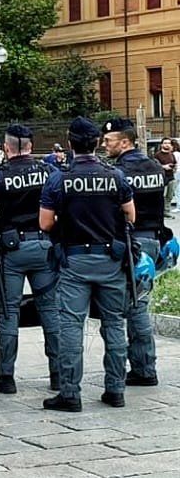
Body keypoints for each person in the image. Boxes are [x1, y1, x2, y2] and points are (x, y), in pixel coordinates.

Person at [40, 117, 135, 412]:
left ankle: (70, 393)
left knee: (71, 325)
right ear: (96, 144)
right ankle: (116, 389)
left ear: (70, 143)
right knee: (114, 325)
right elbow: (131, 216)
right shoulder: (116, 175)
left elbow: (44, 222)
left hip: (75, 260)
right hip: (111, 260)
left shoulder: (59, 178)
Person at [0, 124, 61, 394]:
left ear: (7, 147)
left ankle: (6, 377)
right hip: (44, 246)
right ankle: (57, 374)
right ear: (31, 147)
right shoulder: (49, 172)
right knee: (50, 311)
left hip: (13, 251)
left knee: (8, 312)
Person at [103, 117, 167, 388]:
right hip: (153, 239)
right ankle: (142, 364)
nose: (105, 145)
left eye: (109, 141)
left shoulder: (119, 172)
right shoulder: (155, 166)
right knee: (139, 301)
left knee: (136, 306)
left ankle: (144, 368)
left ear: (125, 142)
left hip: (133, 243)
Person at [154, 138, 176, 217]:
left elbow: (174, 163)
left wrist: (174, 167)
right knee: (162, 196)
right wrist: (164, 167)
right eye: (165, 143)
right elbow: (155, 166)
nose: (167, 145)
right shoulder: (157, 155)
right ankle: (160, 212)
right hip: (162, 178)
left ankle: (166, 211)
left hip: (171, 177)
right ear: (162, 144)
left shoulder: (171, 154)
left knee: (169, 196)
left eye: (168, 143)